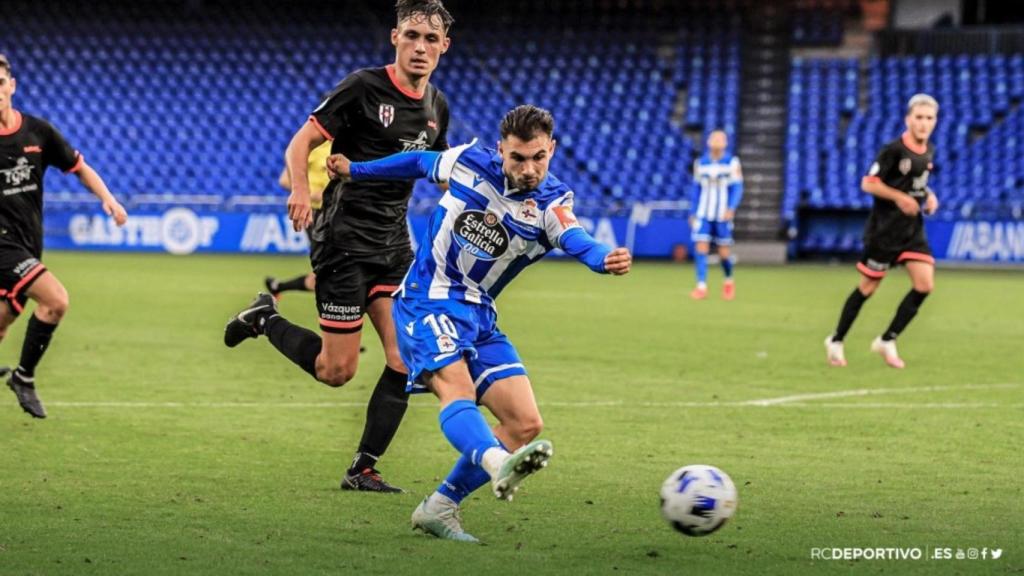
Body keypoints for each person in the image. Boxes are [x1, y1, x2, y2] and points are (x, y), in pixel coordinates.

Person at [326, 105, 633, 542]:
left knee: (524, 423)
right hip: (427, 299)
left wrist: (603, 257)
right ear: (500, 149)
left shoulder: (553, 204)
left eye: (539, 158)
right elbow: (417, 161)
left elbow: (576, 238)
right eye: (518, 158)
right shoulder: (469, 161)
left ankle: (440, 507)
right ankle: (495, 464)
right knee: (457, 388)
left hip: (480, 314)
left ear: (553, 150)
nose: (529, 169)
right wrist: (356, 169)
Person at [224, 0, 453, 493]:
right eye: (412, 35)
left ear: (444, 47)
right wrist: (300, 190)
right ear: (395, 37)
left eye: (430, 39)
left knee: (404, 358)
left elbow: (439, 173)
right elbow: (301, 141)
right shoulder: (362, 87)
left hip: (394, 246)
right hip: (344, 243)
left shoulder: (437, 105)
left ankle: (362, 468)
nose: (420, 47)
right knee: (336, 371)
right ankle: (265, 317)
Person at [0, 53, 128, 418]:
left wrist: (109, 199)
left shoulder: (37, 132)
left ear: (11, 85)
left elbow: (79, 167)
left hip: (26, 244)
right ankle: (23, 377)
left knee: (4, 319)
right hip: (3, 244)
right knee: (56, 300)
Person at [825, 94, 940, 369]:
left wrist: (929, 195)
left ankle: (887, 340)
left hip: (911, 231)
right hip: (884, 231)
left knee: (924, 285)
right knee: (868, 288)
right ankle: (837, 340)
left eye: (929, 118)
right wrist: (899, 198)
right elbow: (869, 183)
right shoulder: (893, 150)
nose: (924, 123)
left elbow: (914, 183)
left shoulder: (928, 151)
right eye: (919, 117)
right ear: (908, 119)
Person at [263, 141, 331, 299]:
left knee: (330, 272)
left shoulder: (347, 147)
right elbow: (284, 180)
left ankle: (278, 286)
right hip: (316, 215)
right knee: (330, 271)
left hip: (339, 213)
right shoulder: (314, 147)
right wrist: (310, 194)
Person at [689, 130, 743, 300]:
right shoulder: (700, 163)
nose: (717, 141)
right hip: (704, 213)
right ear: (709, 142)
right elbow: (696, 189)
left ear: (726, 143)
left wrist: (731, 207)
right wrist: (693, 212)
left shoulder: (732, 162)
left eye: (721, 139)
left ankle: (728, 280)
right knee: (701, 247)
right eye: (714, 138)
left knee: (724, 253)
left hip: (722, 214)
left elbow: (738, 187)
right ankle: (701, 286)